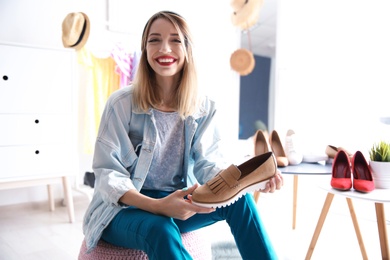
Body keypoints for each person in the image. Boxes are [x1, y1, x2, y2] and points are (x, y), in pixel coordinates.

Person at [82, 10, 283, 260]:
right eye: (154, 40)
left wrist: (247, 184)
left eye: (175, 40)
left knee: (242, 204)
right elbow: (108, 176)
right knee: (161, 228)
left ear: (187, 49)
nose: (164, 48)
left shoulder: (204, 107)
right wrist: (157, 206)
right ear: (144, 49)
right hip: (122, 210)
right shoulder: (121, 104)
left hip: (180, 200)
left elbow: (208, 165)